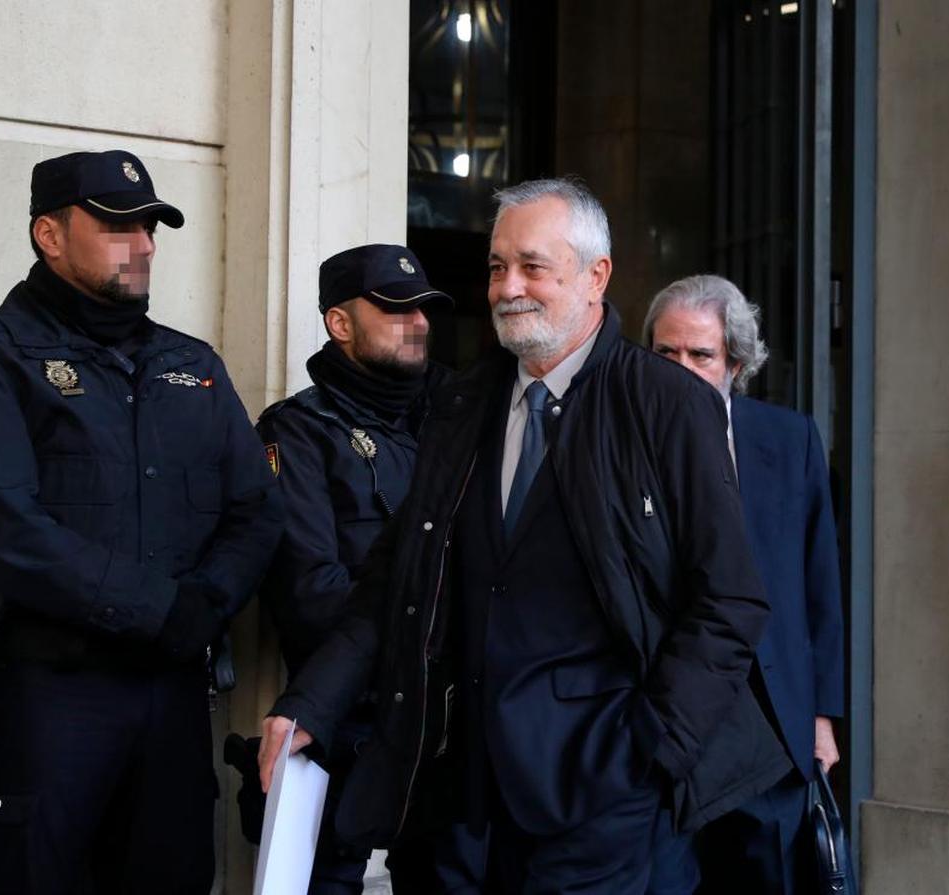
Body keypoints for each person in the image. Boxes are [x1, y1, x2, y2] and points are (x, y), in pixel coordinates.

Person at [258, 178, 790, 894]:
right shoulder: (460, 404)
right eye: (496, 266)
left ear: (595, 275)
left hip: (604, 794)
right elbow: (397, 578)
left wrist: (651, 747)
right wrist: (308, 704)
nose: (509, 287)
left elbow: (729, 600)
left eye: (533, 266)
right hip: (460, 796)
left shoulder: (668, 405)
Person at [0, 149, 283, 895]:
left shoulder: (195, 367)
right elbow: (1, 529)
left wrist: (207, 601)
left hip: (170, 702)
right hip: (44, 696)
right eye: (119, 224)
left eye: (150, 226)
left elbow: (257, 509)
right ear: (49, 235)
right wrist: (164, 608)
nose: (145, 243)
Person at [255, 243, 478, 892]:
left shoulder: (461, 419)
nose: (419, 323)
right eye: (396, 308)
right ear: (341, 323)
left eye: (425, 310)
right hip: (347, 719)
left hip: (447, 722)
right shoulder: (296, 431)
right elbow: (309, 596)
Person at [642, 273, 845, 894]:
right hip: (662, 720)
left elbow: (819, 581)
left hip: (772, 721)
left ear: (735, 362)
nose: (680, 370)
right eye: (665, 354)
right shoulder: (617, 436)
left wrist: (821, 716)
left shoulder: (789, 440)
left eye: (699, 355)